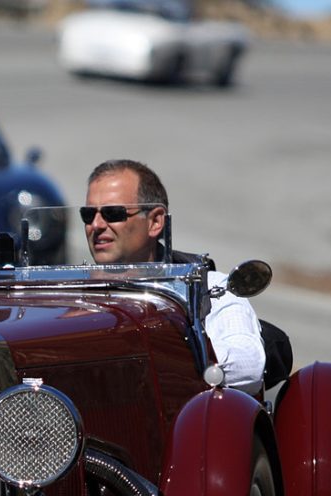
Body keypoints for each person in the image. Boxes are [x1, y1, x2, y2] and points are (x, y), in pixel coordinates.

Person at [84, 158, 267, 392]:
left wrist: (158, 354)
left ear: (155, 221)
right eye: (88, 215)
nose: (96, 225)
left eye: (113, 213)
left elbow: (248, 365)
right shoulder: (64, 294)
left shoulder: (209, 289)